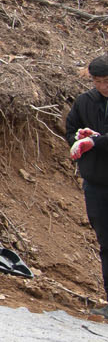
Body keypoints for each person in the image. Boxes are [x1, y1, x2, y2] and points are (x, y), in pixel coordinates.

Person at [64, 56, 108, 318]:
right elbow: (70, 128)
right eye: (98, 81)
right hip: (96, 183)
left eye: (107, 81)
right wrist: (79, 138)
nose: (103, 87)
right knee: (106, 242)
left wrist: (96, 141)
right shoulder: (84, 102)